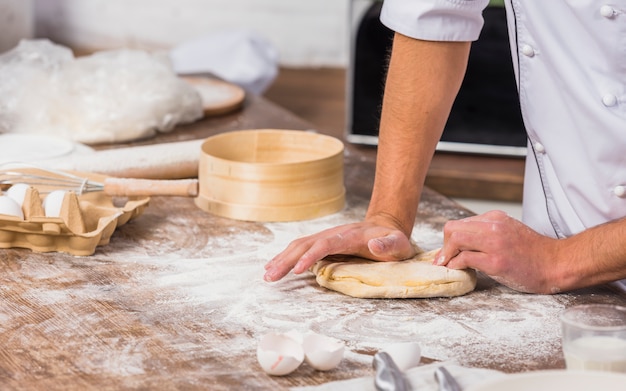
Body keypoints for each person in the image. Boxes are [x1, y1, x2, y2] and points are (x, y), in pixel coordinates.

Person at [264, 0, 626, 294]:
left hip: (553, 264)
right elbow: (434, 17)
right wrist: (387, 218)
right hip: (553, 263)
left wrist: (561, 261)